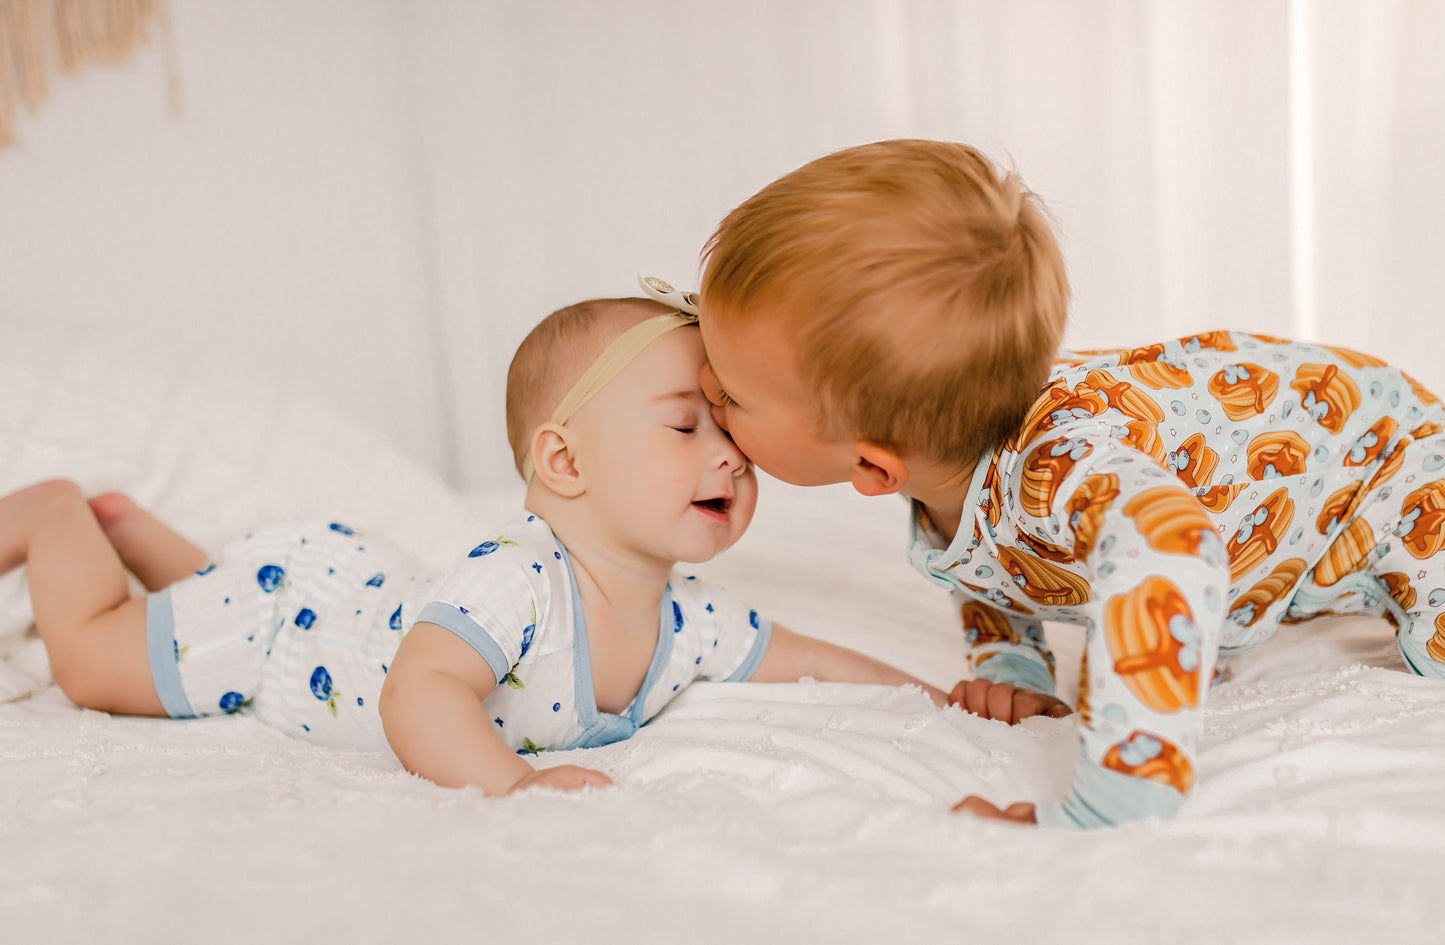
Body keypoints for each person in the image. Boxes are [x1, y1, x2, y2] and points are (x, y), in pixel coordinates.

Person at [686, 137, 1445, 829]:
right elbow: (980, 546)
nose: (704, 388)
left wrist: (1114, 798)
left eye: (730, 393)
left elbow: (1173, 547)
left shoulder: (1062, 472)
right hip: (1311, 487)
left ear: (872, 468)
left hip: (1399, 478)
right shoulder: (947, 451)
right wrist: (1011, 667)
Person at [0, 295, 947, 797]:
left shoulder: (686, 614)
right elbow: (422, 691)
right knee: (93, 655)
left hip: (339, 581)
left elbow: (806, 658)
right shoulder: (518, 577)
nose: (729, 459)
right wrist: (513, 786)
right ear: (564, 460)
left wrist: (940, 698)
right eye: (685, 427)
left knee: (228, 580)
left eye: (732, 436)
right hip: (277, 628)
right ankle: (57, 514)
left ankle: (129, 527)